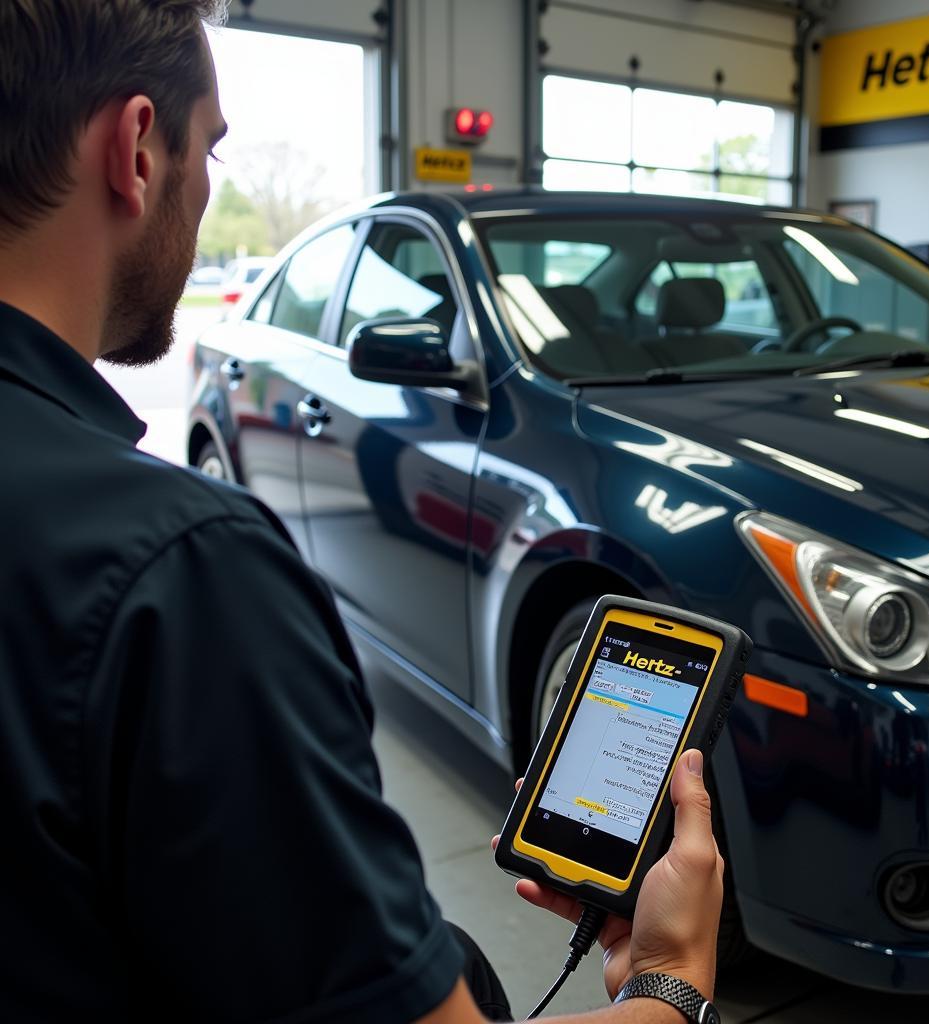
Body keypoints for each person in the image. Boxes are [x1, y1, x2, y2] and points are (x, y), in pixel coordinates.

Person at [0, 2, 725, 1021]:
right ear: (134, 150)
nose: (208, 184)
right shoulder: (182, 572)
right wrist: (670, 979)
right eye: (208, 146)